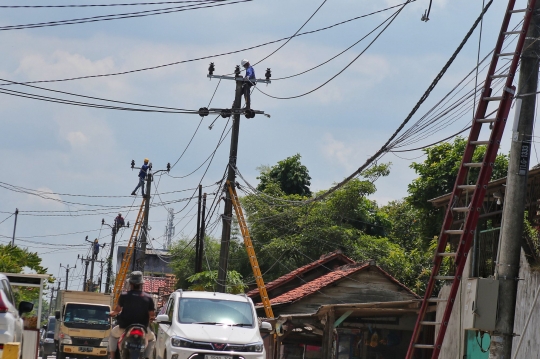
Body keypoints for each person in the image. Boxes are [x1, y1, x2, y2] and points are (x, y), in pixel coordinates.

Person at [109, 271, 155, 359]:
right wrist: (152, 318)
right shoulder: (148, 297)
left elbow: (117, 310)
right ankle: (147, 357)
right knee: (152, 339)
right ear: (141, 283)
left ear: (130, 283)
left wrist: (112, 313)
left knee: (113, 335)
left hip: (124, 328)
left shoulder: (124, 295)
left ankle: (112, 356)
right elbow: (152, 314)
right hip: (143, 329)